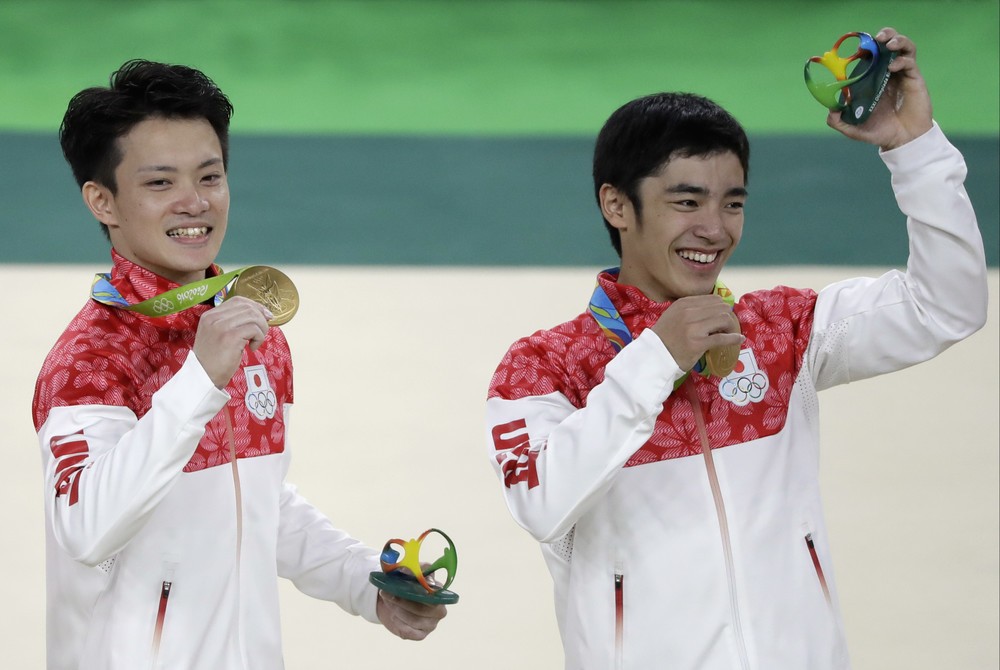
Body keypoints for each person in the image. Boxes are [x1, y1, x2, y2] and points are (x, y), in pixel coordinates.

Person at [484, 28, 987, 669]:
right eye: (686, 201)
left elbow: (946, 305)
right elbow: (541, 504)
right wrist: (654, 360)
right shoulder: (543, 366)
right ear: (616, 204)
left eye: (733, 203)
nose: (714, 229)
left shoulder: (783, 330)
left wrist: (913, 150)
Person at [33, 59, 446, 670]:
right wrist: (199, 380)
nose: (194, 202)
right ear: (103, 201)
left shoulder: (246, 325)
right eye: (159, 184)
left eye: (210, 176)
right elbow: (87, 528)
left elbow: (260, 503)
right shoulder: (88, 360)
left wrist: (368, 586)